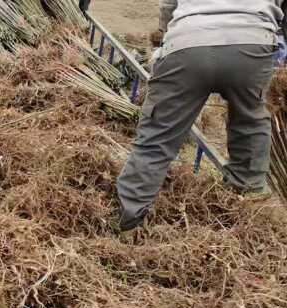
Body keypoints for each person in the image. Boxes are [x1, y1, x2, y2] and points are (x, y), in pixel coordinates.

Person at [116, 0, 287, 232]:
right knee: (250, 124)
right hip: (252, 43)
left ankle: (128, 220)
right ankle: (248, 216)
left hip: (188, 42)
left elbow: (168, 4)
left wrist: (167, 34)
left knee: (158, 135)